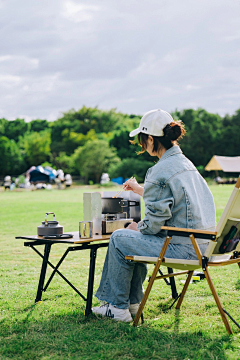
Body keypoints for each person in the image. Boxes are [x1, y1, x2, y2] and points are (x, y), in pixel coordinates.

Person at [92, 109, 216, 322]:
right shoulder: (187, 165)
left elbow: (152, 226)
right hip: (205, 246)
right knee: (132, 239)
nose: (141, 145)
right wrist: (141, 190)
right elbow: (176, 200)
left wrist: (136, 228)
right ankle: (132, 303)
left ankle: (117, 307)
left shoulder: (159, 170)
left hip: (185, 249)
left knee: (120, 238)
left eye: (142, 140)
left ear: (150, 139)